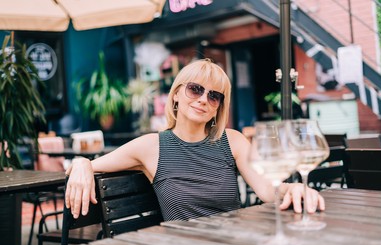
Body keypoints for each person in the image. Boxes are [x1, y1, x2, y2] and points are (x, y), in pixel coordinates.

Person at [65, 58, 325, 221]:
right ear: (176, 94)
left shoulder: (232, 141)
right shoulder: (150, 146)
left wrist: (294, 188)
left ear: (218, 107)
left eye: (214, 96)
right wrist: (80, 164)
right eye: (195, 89)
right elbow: (89, 163)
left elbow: (269, 190)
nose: (203, 99)